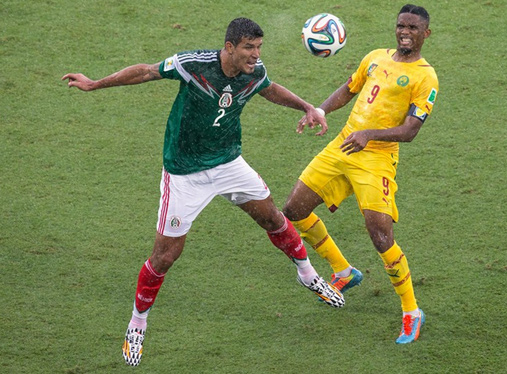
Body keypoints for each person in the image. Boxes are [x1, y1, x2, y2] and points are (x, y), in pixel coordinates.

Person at [62, 17, 344, 367]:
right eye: (248, 48)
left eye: (258, 48)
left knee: (273, 218)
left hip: (228, 163)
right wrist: (94, 84)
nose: (255, 55)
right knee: (165, 256)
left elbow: (268, 87)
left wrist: (305, 106)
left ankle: (308, 275)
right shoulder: (193, 65)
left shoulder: (254, 71)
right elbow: (146, 72)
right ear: (229, 47)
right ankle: (137, 324)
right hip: (184, 174)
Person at [282, 4, 438, 344]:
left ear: (426, 33)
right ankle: (343, 270)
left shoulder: (426, 77)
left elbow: (410, 130)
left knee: (381, 236)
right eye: (401, 26)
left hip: (377, 158)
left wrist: (370, 135)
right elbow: (348, 89)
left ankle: (411, 311)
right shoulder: (375, 57)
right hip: (343, 145)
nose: (405, 32)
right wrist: (319, 109)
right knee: (293, 211)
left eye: (413, 27)